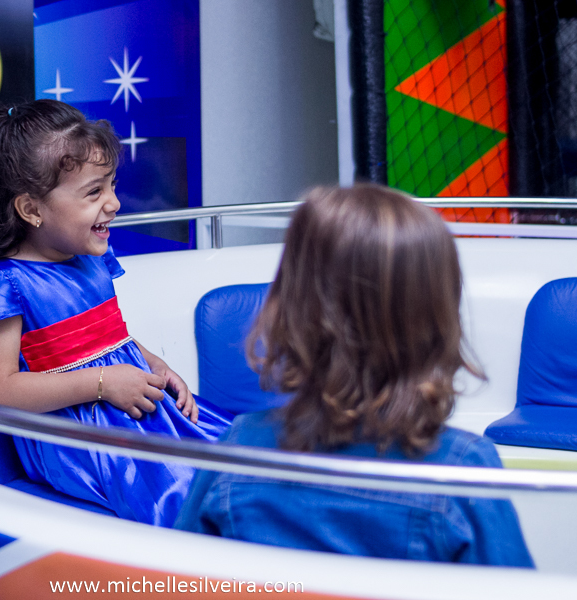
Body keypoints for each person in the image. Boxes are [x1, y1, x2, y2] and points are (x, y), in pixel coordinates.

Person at [174, 185, 534, 567]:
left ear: (289, 311)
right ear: (435, 320)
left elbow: (172, 578)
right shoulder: (463, 468)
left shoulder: (238, 448)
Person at [0, 99, 232, 527]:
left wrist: (157, 366)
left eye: (112, 186)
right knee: (189, 495)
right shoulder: (2, 283)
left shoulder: (88, 257)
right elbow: (1, 390)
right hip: (81, 437)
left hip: (130, 406)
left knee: (237, 449)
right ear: (31, 210)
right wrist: (102, 384)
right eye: (94, 192)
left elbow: (109, 339)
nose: (115, 203)